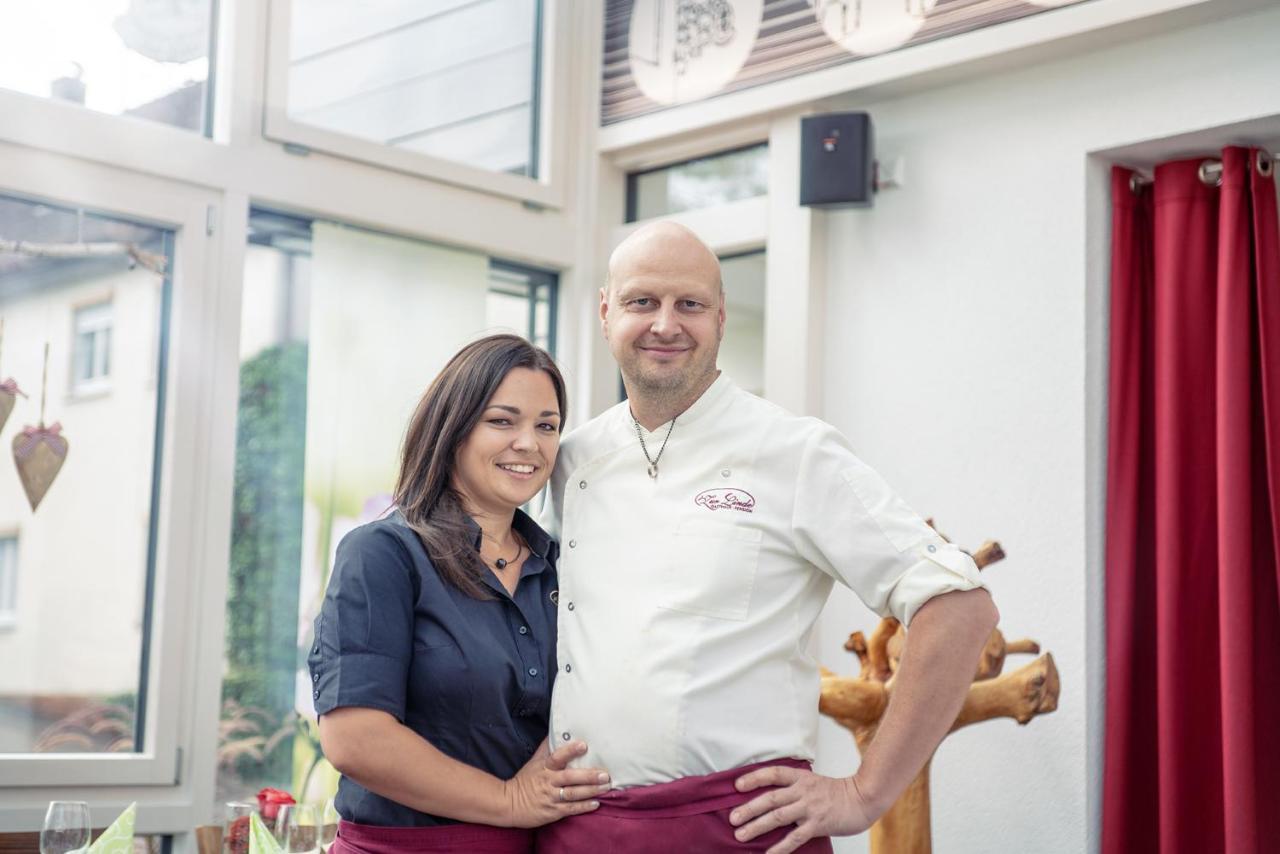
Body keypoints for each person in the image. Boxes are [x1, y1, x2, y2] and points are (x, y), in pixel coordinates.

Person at [535, 223, 1000, 853]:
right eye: (643, 301)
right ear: (605, 312)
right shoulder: (569, 459)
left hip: (741, 831)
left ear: (721, 317)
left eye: (690, 304)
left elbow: (959, 606)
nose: (666, 324)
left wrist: (864, 794)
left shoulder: (796, 452)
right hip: (580, 831)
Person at [308, 334, 610, 854]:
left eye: (547, 426)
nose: (529, 443)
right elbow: (355, 739)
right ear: (453, 428)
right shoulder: (384, 554)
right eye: (502, 421)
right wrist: (507, 801)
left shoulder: (563, 568)